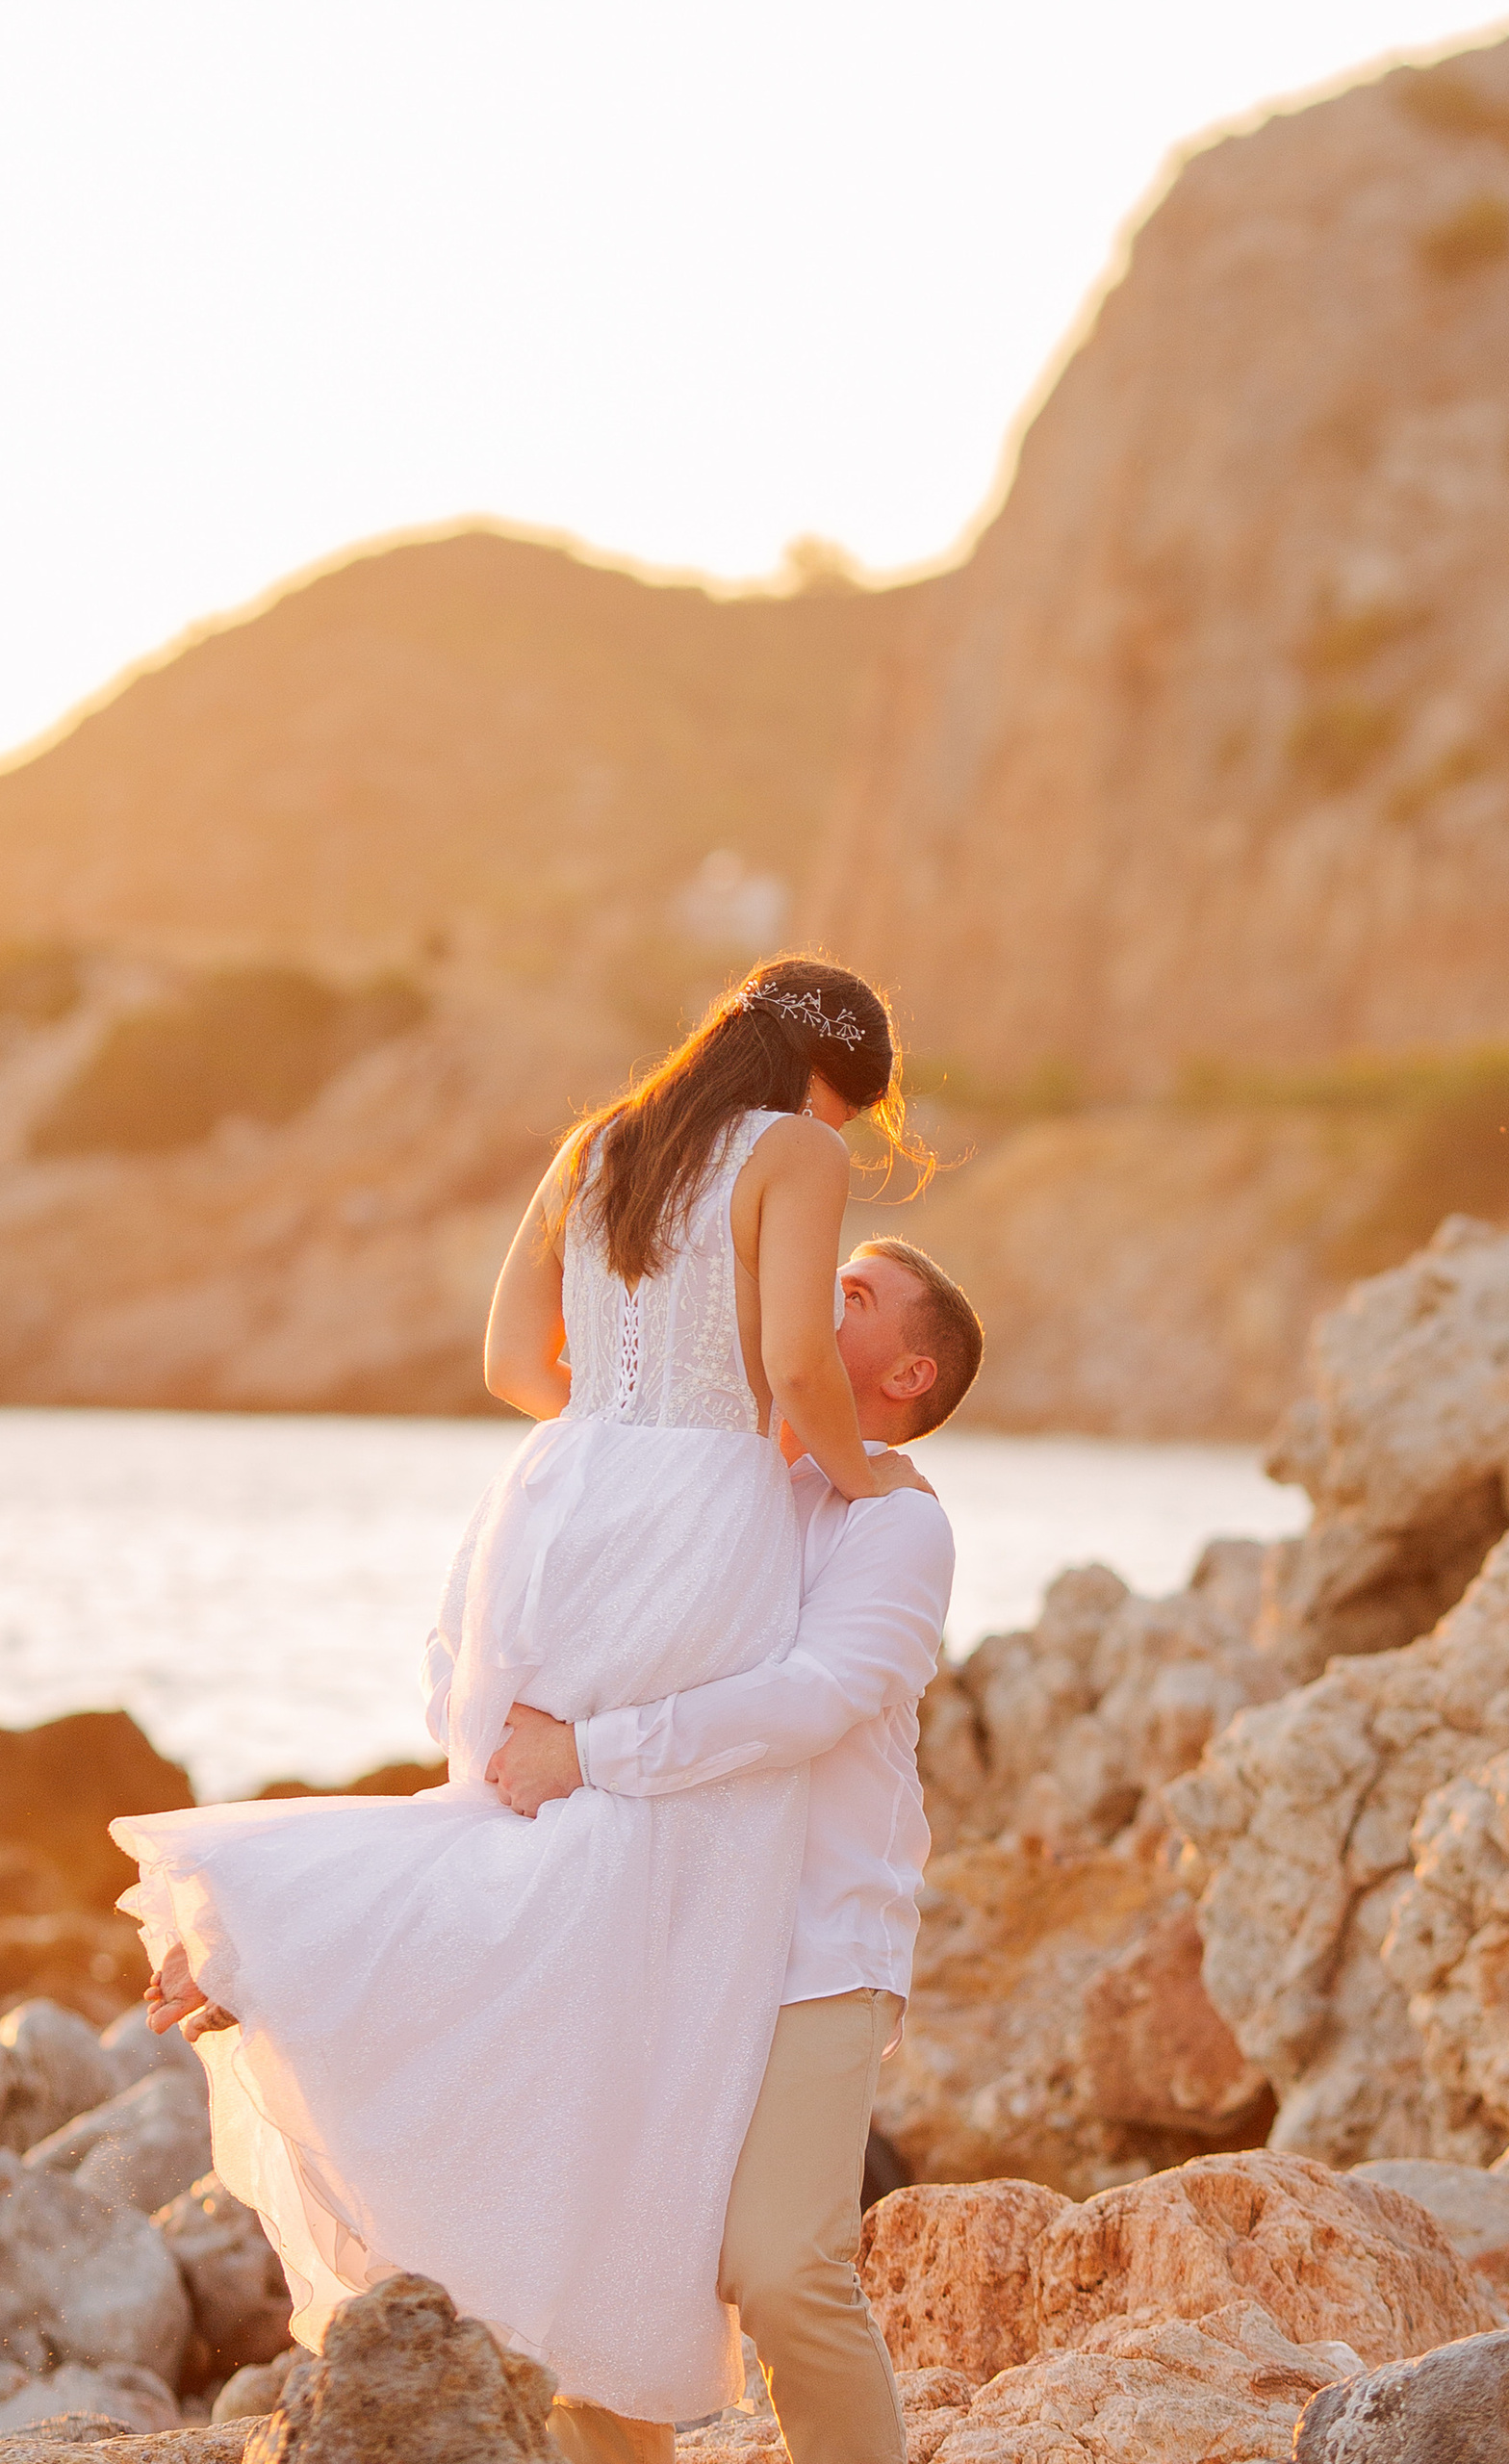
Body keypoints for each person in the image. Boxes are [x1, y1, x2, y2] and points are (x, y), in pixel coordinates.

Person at [111, 957, 932, 2432]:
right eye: (849, 1118)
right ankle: (272, 1932)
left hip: (547, 1506)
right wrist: (824, 1467)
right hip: (688, 1509)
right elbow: (799, 1362)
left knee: (525, 1845)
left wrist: (622, 1425)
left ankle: (276, 1941)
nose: (842, 1146)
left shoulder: (601, 1143)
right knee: (602, 1854)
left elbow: (510, 1362)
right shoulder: (796, 1153)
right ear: (831, 1083)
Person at [486, 1235, 984, 2464]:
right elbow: (525, 1370)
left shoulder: (897, 1522)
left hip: (817, 1945)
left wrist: (589, 1751)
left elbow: (811, 1700)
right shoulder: (711, 1475)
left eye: (852, 1294)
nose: (811, 1291)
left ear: (908, 1374)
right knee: (599, 2264)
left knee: (781, 2265)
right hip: (658, 1920)